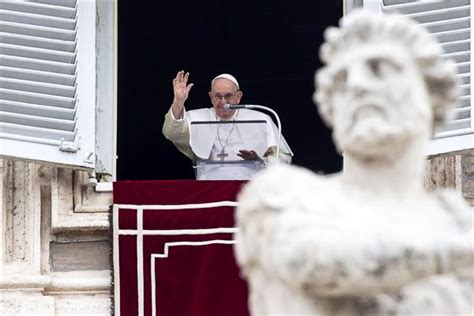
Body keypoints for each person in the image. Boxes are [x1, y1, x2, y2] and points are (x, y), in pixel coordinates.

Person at [235, 10, 473, 316]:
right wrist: (459, 250)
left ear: (432, 95)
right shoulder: (287, 195)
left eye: (380, 69)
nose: (357, 86)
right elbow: (311, 262)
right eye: (341, 80)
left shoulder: (456, 220)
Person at [162, 71, 293, 180]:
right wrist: (178, 102)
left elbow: (281, 157)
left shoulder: (262, 118)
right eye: (218, 96)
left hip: (249, 185)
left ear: (238, 97)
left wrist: (259, 161)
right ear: (211, 97)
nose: (223, 102)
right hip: (209, 185)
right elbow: (171, 133)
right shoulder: (196, 118)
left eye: (228, 96)